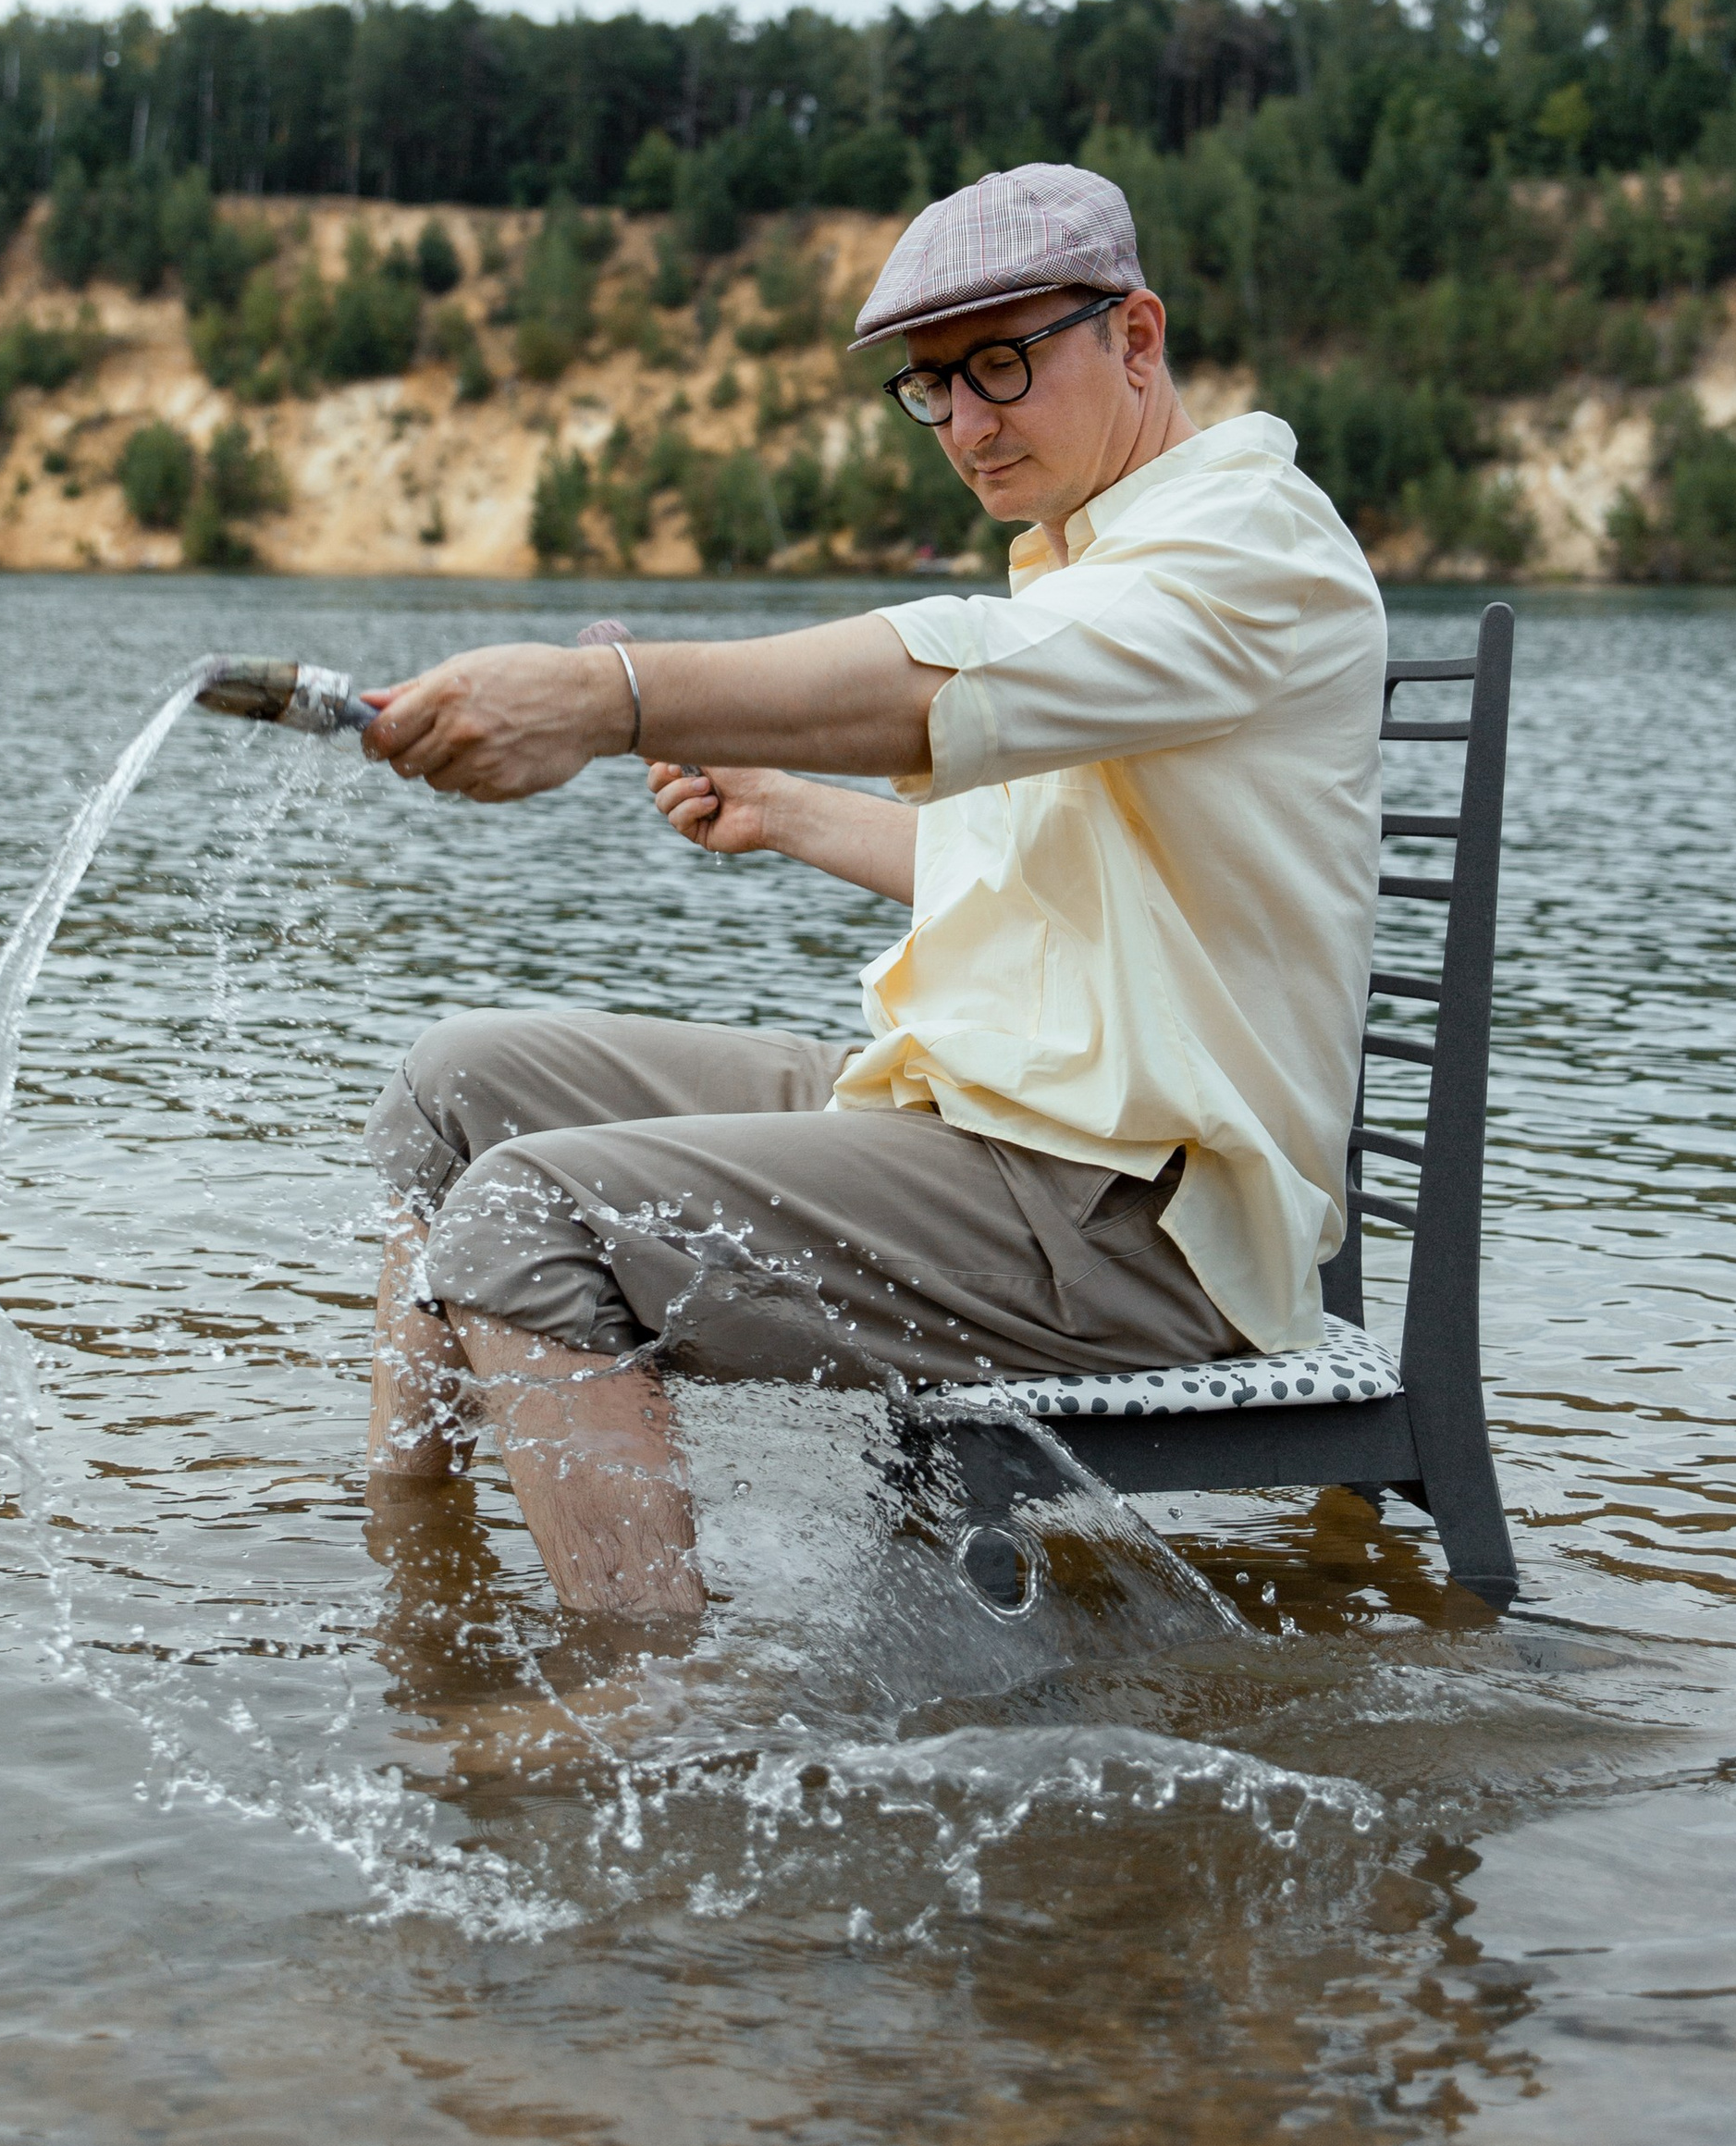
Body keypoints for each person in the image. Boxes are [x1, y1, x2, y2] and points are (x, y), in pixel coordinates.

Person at [360, 163, 1386, 1622]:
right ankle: (406, 1574)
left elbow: (943, 675)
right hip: (986, 1126)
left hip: (1131, 1219)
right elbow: (1041, 885)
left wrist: (609, 698)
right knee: (453, 1086)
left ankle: (644, 1720)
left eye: (1002, 366)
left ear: (1138, 338)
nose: (965, 423)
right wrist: (782, 810)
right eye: (932, 388)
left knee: (529, 1216)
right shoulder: (1098, 566)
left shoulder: (1244, 545)